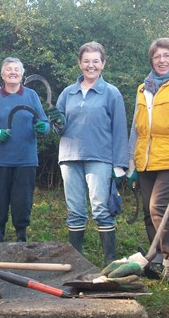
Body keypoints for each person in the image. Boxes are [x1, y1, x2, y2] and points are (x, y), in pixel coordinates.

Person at [48, 41, 128, 264]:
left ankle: (109, 260)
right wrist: (56, 121)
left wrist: (120, 165)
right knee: (75, 211)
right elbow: (60, 129)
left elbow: (120, 130)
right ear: (79, 63)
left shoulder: (111, 93)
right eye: (86, 61)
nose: (90, 65)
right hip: (69, 158)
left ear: (103, 63)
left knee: (101, 209)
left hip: (99, 157)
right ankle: (77, 260)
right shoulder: (68, 93)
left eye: (95, 61)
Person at [127, 38, 169, 282]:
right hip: (145, 159)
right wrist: (131, 165)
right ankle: (155, 258)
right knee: (148, 211)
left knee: (159, 208)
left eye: (167, 55)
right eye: (157, 56)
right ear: (152, 61)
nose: (162, 60)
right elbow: (136, 128)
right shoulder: (142, 88)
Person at [0, 57, 49, 242]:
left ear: (22, 74)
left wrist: (43, 127)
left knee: (22, 201)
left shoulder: (31, 96)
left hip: (26, 161)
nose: (13, 72)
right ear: (2, 75)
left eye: (17, 69)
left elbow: (44, 122)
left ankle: (21, 238)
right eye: (9, 69)